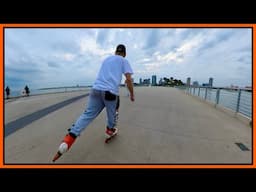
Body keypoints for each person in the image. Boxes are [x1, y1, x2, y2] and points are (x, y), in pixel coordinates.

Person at [53, 44, 134, 161]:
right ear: (124, 54)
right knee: (112, 114)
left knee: (87, 114)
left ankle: (68, 140)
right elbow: (128, 79)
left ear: (115, 51)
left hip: (95, 90)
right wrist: (131, 94)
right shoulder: (123, 60)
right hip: (110, 92)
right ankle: (110, 130)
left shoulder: (106, 59)